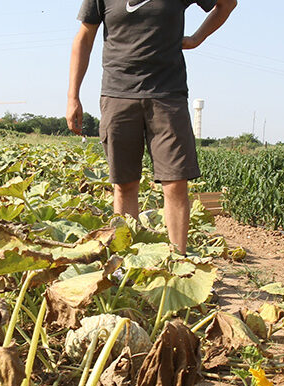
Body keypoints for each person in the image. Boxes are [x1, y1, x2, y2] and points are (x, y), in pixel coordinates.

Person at [67, 0, 236, 253]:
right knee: (124, 184)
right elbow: (83, 39)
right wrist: (73, 97)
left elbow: (227, 3)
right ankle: (126, 262)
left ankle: (177, 262)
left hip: (167, 96)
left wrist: (196, 39)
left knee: (175, 182)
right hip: (118, 94)